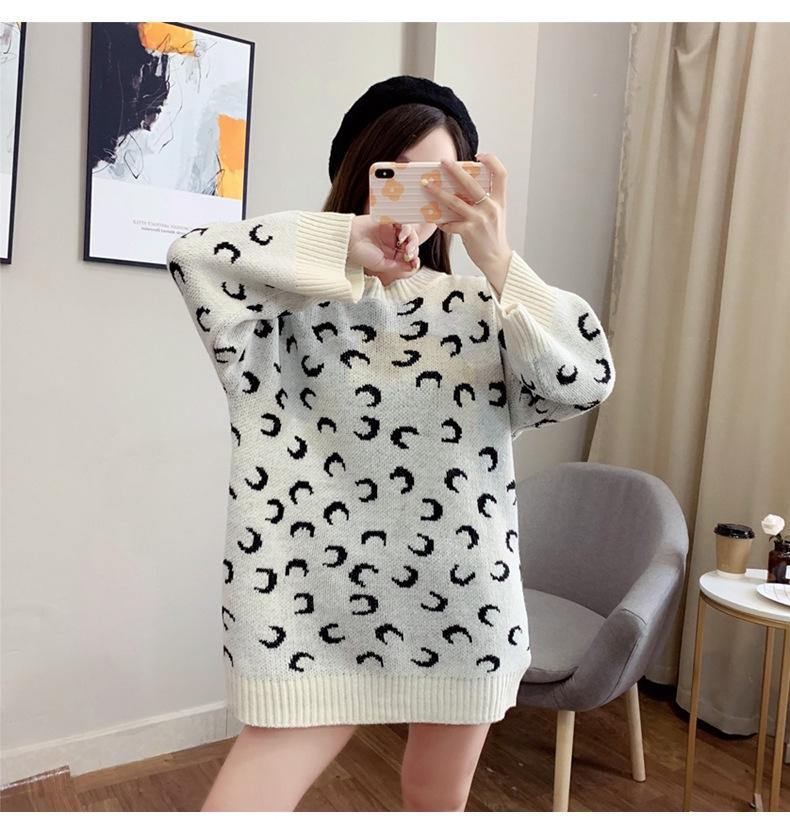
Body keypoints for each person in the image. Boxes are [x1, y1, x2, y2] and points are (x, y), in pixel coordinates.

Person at [166, 75, 616, 811]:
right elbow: (194, 256)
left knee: (435, 799)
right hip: (306, 610)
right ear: (358, 173)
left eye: (440, 184)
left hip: (462, 604)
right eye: (396, 176)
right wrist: (346, 244)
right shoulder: (277, 314)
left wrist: (499, 258)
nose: (414, 201)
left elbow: (585, 379)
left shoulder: (484, 309)